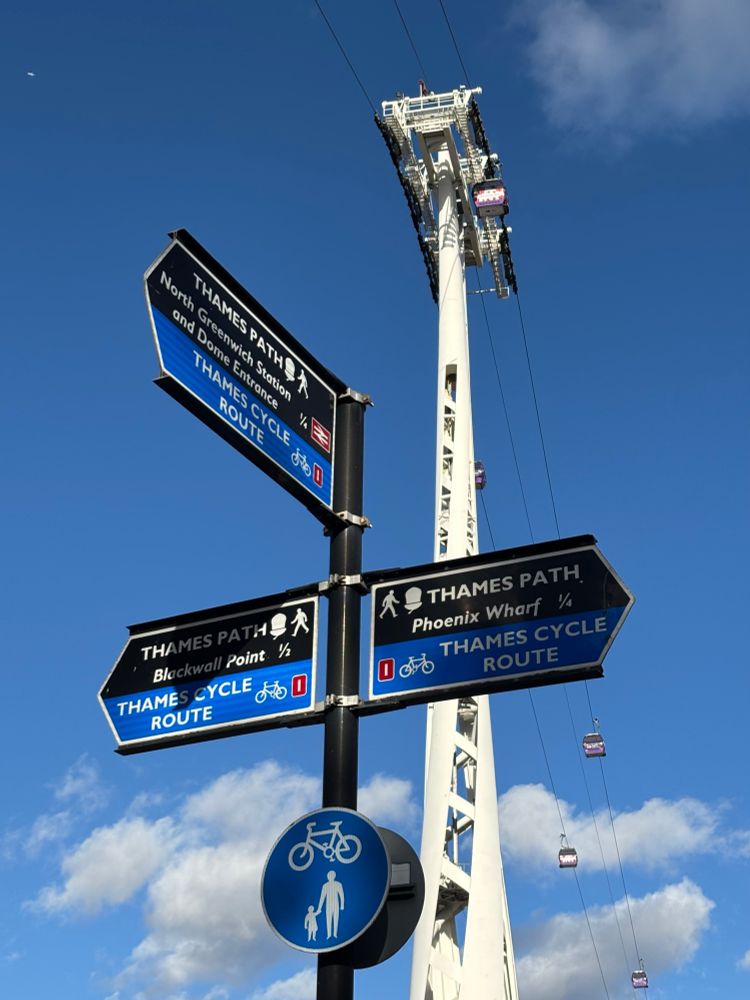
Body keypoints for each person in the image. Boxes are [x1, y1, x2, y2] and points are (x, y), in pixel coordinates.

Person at [317, 870, 344, 939]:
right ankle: (328, 934)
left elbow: (341, 895)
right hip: (328, 905)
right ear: (327, 877)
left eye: (332, 875)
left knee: (336, 919)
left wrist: (342, 905)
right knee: (328, 919)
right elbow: (322, 897)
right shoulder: (325, 886)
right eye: (329, 875)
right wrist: (319, 908)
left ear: (334, 876)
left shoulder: (338, 884)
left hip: (336, 905)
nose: (330, 877)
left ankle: (335, 934)